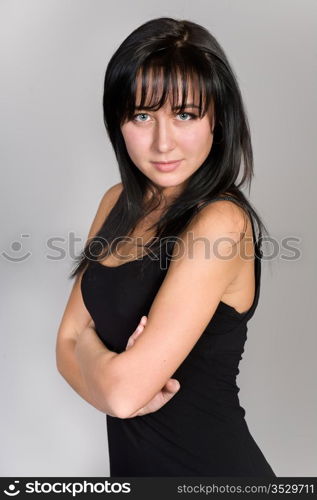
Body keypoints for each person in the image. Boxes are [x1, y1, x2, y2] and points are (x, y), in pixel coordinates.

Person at [56, 17, 276, 477]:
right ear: (118, 122)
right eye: (142, 115)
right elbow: (65, 343)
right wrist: (113, 375)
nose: (162, 142)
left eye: (185, 114)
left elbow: (119, 392)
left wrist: (102, 368)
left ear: (218, 118)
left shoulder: (221, 221)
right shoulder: (116, 203)